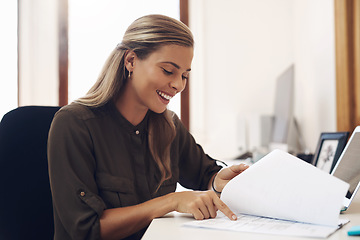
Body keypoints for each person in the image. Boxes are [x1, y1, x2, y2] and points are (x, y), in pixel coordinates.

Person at [48, 14, 249, 240]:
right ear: (131, 61)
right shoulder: (75, 125)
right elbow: (86, 229)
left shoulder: (169, 125)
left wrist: (218, 180)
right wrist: (171, 201)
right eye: (168, 70)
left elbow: (204, 174)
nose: (178, 85)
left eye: (184, 75)